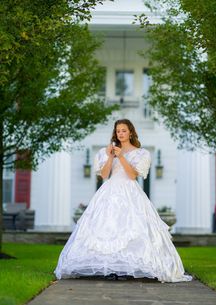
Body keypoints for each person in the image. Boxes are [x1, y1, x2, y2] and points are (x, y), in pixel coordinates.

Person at [54, 119, 192, 282]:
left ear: (131, 132)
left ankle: (129, 267)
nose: (120, 133)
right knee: (107, 227)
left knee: (131, 227)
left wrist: (122, 156)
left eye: (124, 130)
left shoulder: (141, 153)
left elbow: (133, 175)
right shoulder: (105, 152)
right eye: (118, 130)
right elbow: (104, 175)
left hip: (130, 191)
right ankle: (110, 268)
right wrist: (111, 157)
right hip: (109, 191)